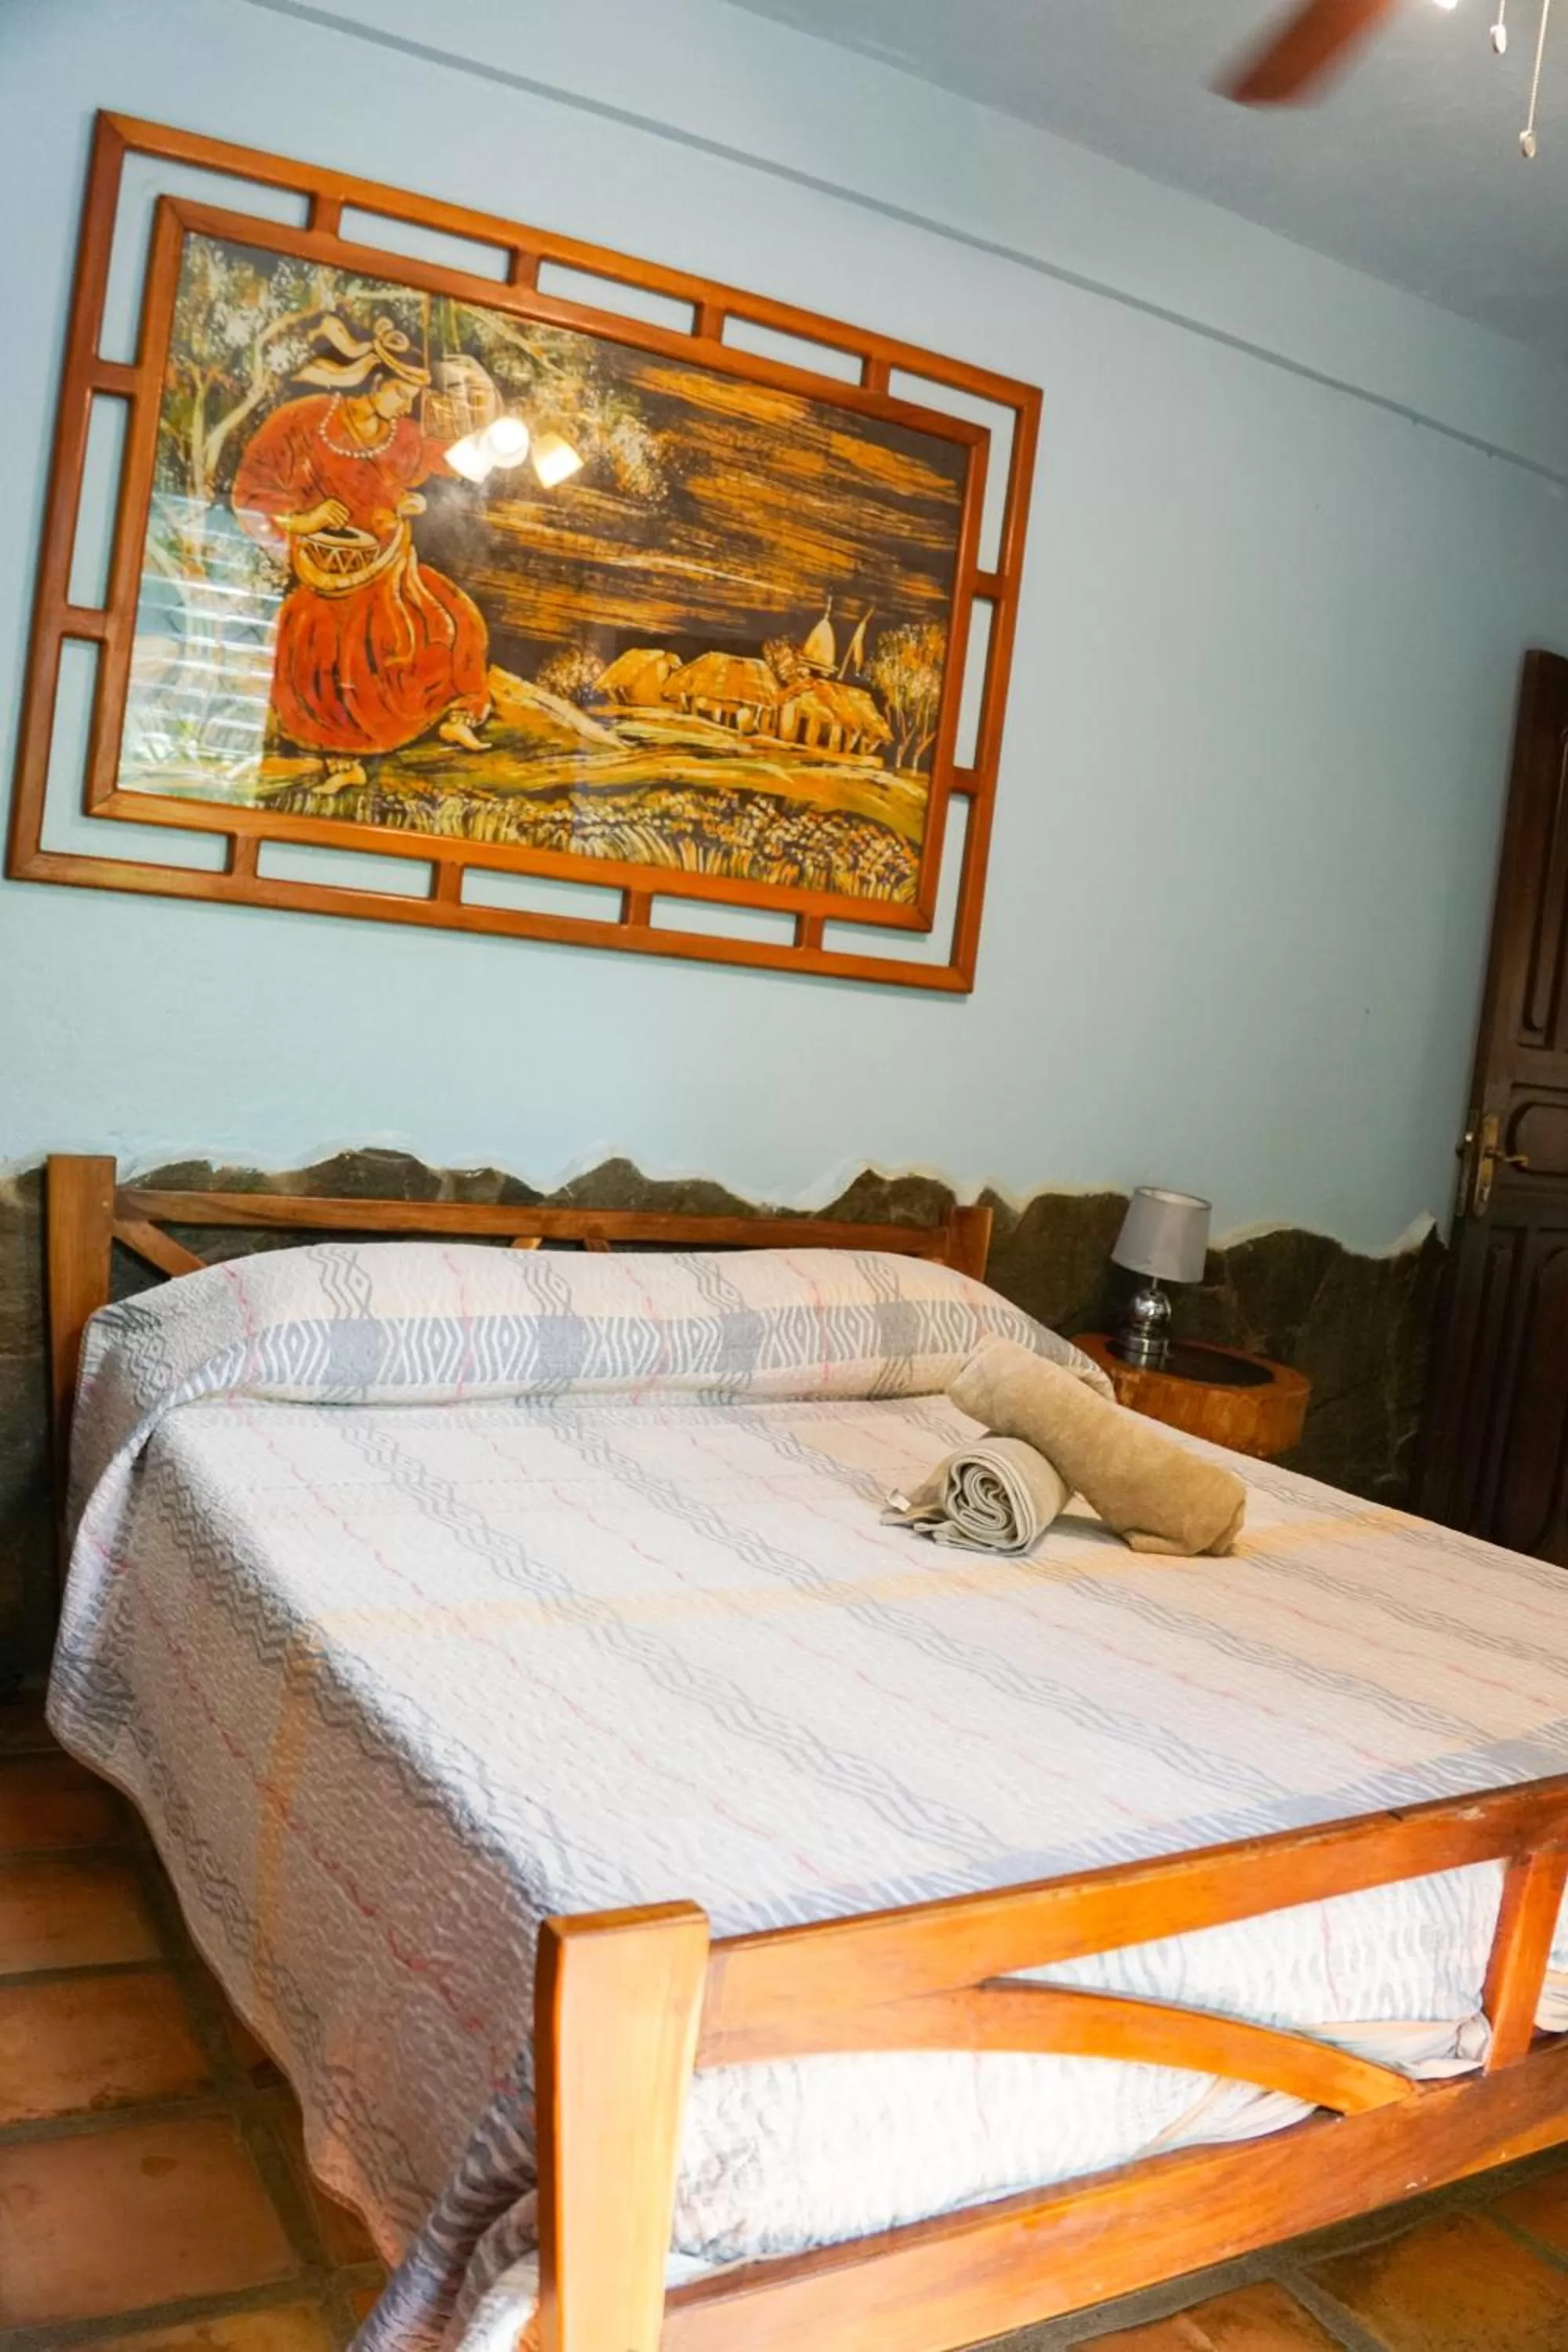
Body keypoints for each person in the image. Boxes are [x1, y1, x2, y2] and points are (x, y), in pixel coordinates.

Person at [231, 314, 491, 789]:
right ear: (372, 381)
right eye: (399, 393)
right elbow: (252, 489)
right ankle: (342, 762)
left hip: (392, 565)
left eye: (412, 398)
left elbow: (454, 464)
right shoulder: (305, 420)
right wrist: (304, 520)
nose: (406, 406)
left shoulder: (404, 436)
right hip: (325, 571)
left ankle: (457, 718)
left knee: (453, 621)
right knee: (332, 657)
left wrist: (422, 498)